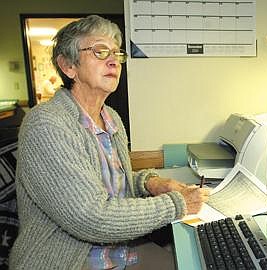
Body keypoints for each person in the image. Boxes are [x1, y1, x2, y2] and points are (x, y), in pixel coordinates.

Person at [10, 15, 209, 270]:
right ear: (68, 66)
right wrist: (177, 204)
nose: (114, 60)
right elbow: (92, 217)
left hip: (119, 251)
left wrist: (152, 183)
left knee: (197, 263)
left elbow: (113, 185)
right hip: (67, 261)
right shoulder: (46, 124)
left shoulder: (110, 117)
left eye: (117, 53)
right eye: (100, 51)